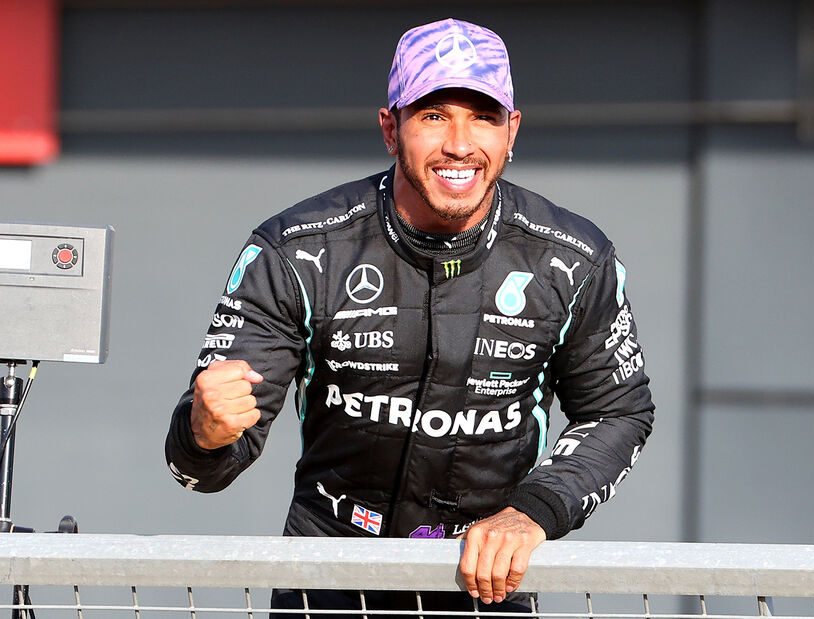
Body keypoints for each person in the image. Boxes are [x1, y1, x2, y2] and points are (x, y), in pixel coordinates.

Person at [165, 17, 654, 617]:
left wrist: (531, 513)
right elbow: (204, 465)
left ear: (512, 131)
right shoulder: (296, 250)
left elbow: (617, 411)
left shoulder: (572, 259)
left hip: (488, 583)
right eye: (432, 116)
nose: (459, 143)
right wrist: (203, 432)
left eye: (483, 116)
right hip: (327, 578)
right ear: (390, 129)